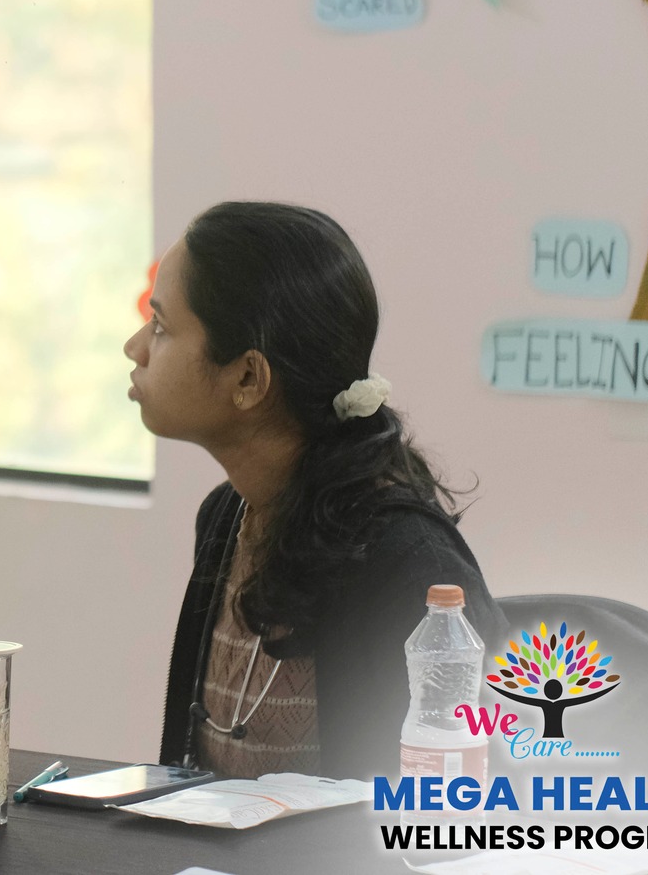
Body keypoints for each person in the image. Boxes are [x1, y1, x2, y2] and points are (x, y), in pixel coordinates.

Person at [128, 202, 503, 782]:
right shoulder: (226, 516)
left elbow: (457, 813)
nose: (135, 347)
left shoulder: (408, 564)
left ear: (248, 378)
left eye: (160, 326)